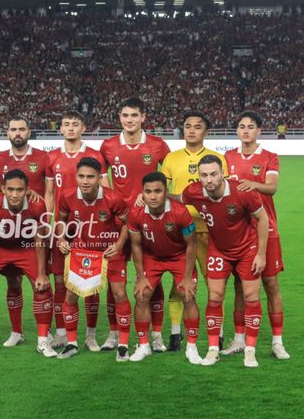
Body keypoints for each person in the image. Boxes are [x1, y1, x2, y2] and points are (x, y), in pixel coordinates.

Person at [177, 155, 269, 367]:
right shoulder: (193, 192)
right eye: (204, 175)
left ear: (223, 174)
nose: (209, 180)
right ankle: (212, 350)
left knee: (251, 296)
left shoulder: (242, 192)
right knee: (215, 296)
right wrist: (148, 198)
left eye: (213, 174)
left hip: (247, 249)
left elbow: (263, 218)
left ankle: (250, 350)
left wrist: (261, 254)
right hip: (218, 250)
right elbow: (176, 198)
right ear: (198, 177)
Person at [99, 97, 171, 352]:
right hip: (116, 223)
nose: (129, 120)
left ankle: (157, 335)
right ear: (120, 118)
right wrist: (112, 199)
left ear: (143, 118)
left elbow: (169, 175)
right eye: (125, 116)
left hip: (147, 222)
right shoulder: (108, 146)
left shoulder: (157, 145)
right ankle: (114, 333)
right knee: (113, 280)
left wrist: (154, 200)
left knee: (153, 278)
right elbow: (99, 175)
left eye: (134, 115)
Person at [223, 111, 290, 360]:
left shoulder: (269, 157)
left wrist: (252, 184)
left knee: (271, 285)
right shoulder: (227, 157)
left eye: (251, 127)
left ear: (259, 131)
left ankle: (277, 342)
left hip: (267, 229)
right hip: (239, 231)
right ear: (237, 131)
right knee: (239, 287)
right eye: (241, 126)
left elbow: (272, 188)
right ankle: (239, 340)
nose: (246, 131)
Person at [160, 110, 228, 351]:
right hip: (178, 230)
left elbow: (222, 194)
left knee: (213, 283)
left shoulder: (217, 158)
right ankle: (176, 334)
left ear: (206, 131)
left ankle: (217, 333)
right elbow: (162, 191)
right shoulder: (171, 158)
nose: (191, 130)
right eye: (187, 126)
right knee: (179, 282)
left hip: (209, 230)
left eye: (197, 127)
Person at [0, 169, 56, 360]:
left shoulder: (37, 204)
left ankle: (43, 341)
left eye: (19, 190)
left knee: (42, 286)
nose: (15, 194)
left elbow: (40, 239)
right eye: (10, 190)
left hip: (25, 248)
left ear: (27, 190)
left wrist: (42, 273)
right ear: (2, 189)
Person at [44, 111, 109, 352]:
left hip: (91, 227)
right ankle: (62, 333)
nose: (70, 128)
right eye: (66, 124)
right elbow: (49, 193)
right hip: (63, 226)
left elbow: (105, 188)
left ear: (83, 128)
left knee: (92, 281)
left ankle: (90, 335)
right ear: (60, 128)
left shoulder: (94, 156)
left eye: (75, 124)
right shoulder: (53, 157)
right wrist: (47, 223)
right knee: (60, 280)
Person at [55, 158, 131, 362]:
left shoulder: (113, 198)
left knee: (119, 293)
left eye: (90, 176)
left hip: (109, 253)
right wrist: (62, 239)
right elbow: (60, 220)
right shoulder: (67, 196)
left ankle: (123, 345)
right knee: (71, 297)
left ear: (99, 178)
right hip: (82, 254)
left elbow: (127, 222)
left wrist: (119, 245)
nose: (85, 181)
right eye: (81, 176)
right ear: (76, 177)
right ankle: (72, 343)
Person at [128, 172, 202, 364]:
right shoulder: (135, 213)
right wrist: (140, 276)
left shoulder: (180, 212)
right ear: (142, 193)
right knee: (142, 294)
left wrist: (187, 277)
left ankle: (191, 347)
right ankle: (144, 345)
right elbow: (136, 246)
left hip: (179, 256)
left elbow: (191, 244)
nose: (153, 196)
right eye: (148, 192)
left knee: (188, 294)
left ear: (166, 192)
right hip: (152, 257)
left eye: (158, 191)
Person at [0, 117, 49, 347]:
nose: (18, 133)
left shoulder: (43, 157)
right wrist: (15, 196)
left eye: (22, 128)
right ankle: (17, 332)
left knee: (41, 281)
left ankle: (46, 331)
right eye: (13, 129)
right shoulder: (0, 158)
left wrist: (45, 214)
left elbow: (51, 189)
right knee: (13, 282)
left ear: (29, 131)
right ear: (7, 133)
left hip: (35, 229)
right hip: (8, 230)